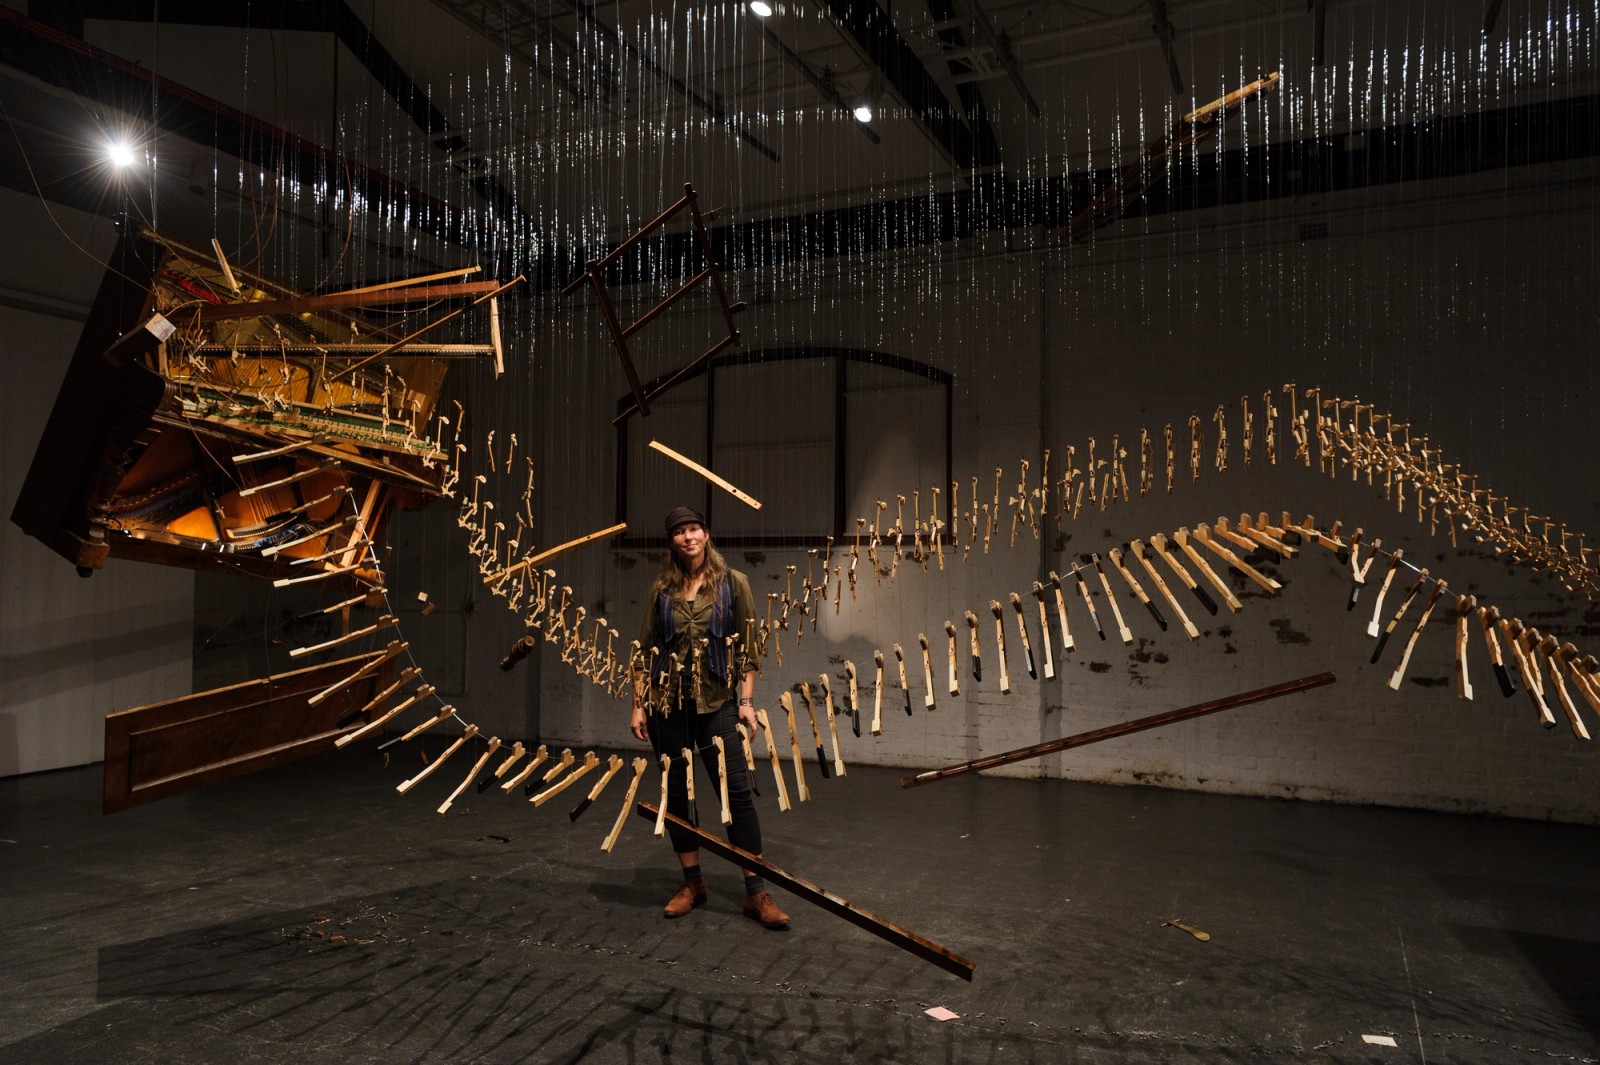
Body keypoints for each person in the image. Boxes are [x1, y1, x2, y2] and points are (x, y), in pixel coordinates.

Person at [630, 504, 790, 930]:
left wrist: (746, 701)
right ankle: (693, 883)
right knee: (679, 797)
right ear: (672, 542)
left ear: (706, 534)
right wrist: (638, 703)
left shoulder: (733, 584)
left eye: (694, 529)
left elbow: (749, 649)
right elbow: (643, 651)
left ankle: (755, 892)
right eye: (679, 531)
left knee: (735, 794)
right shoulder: (661, 590)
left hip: (717, 704)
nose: (688, 537)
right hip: (668, 707)